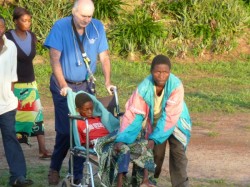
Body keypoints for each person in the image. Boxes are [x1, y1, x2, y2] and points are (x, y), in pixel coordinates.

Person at [43, 0, 116, 185]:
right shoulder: (60, 27)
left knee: (82, 131)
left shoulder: (97, 27)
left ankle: (76, 175)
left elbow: (104, 56)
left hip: (85, 86)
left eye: (90, 16)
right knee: (66, 131)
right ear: (73, 12)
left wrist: (107, 81)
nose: (87, 20)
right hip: (64, 85)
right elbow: (54, 59)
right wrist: (62, 85)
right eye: (83, 16)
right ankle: (55, 167)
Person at [115, 54, 192, 187]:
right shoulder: (144, 87)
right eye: (157, 72)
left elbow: (170, 117)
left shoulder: (176, 86)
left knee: (178, 155)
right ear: (151, 72)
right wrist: (123, 138)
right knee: (155, 156)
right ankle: (150, 181)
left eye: (165, 72)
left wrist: (154, 139)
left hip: (177, 123)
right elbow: (134, 114)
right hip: (156, 125)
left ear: (170, 72)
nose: (161, 76)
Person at [74, 92, 155, 187]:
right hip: (101, 143)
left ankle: (145, 180)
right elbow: (82, 143)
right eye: (86, 109)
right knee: (123, 149)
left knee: (144, 144)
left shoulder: (98, 118)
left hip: (113, 138)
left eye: (91, 108)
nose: (90, 112)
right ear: (78, 110)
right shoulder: (78, 122)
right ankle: (119, 184)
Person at [5, 7, 51, 159]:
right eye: (24, 20)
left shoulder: (32, 36)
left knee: (37, 115)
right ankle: (10, 150)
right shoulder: (7, 37)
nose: (27, 24)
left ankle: (42, 149)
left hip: (30, 83)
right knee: (11, 118)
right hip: (13, 84)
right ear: (15, 21)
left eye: (29, 20)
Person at [0, 15, 33, 187]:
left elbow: (13, 76)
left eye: (0, 26)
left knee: (10, 138)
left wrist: (10, 97)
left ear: (4, 28)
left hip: (6, 104)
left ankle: (18, 176)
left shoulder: (11, 46)